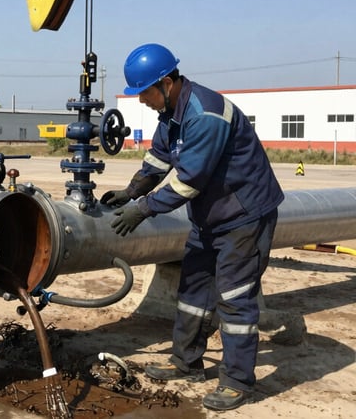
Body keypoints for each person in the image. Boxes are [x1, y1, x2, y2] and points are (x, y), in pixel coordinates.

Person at [100, 43, 284, 411]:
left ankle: (236, 382)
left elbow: (189, 181)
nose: (141, 100)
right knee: (194, 291)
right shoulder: (170, 114)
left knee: (234, 299)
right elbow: (158, 160)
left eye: (144, 92)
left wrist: (143, 209)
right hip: (210, 217)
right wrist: (131, 191)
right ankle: (186, 362)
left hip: (243, 218)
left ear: (166, 83)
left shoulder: (204, 114)